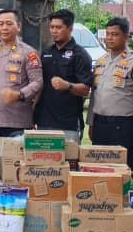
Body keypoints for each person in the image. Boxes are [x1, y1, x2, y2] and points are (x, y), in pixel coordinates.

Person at [88, 17, 133, 189]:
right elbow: (95, 94)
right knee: (101, 170)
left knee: (129, 172)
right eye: (108, 34)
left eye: (115, 34)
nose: (109, 38)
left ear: (126, 36)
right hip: (101, 125)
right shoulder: (101, 61)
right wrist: (91, 122)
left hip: (124, 126)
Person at [0, 9, 43, 146]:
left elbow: (38, 82)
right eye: (0, 24)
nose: (4, 28)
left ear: (18, 27)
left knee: (13, 159)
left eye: (9, 23)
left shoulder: (29, 53)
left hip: (17, 123)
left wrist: (19, 94)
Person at [34, 9, 93, 144]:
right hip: (44, 121)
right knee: (42, 157)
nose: (54, 31)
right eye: (52, 27)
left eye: (58, 27)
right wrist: (33, 112)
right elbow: (40, 86)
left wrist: (68, 85)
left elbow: (85, 89)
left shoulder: (80, 55)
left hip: (68, 123)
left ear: (70, 29)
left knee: (68, 158)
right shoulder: (46, 52)